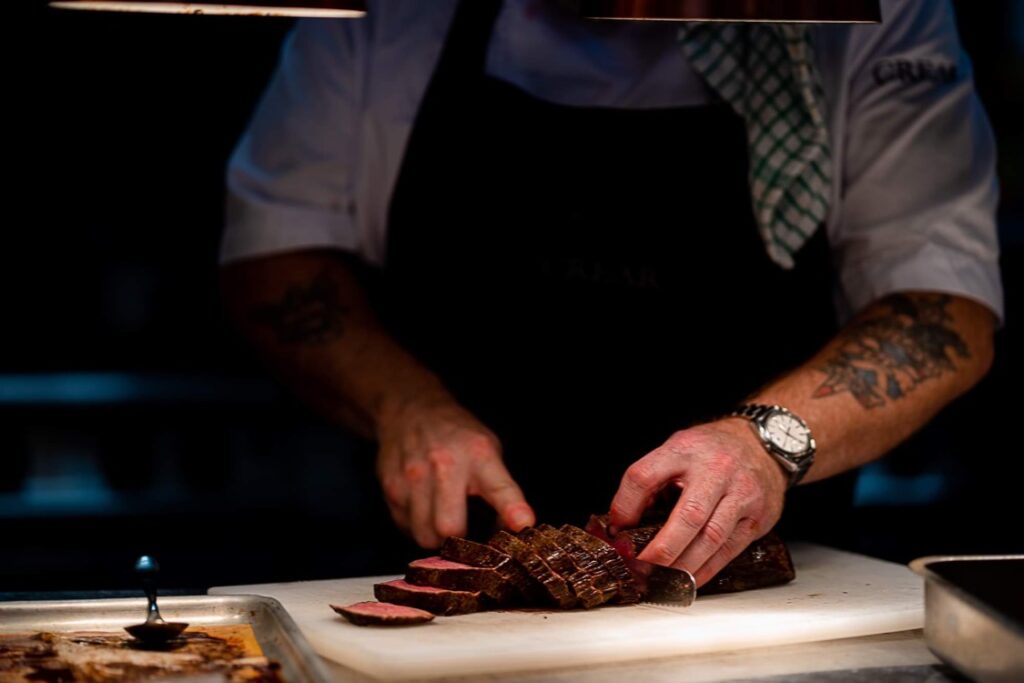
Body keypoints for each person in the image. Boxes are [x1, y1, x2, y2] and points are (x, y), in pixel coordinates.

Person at [220, 0, 1001, 586]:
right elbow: (275, 257)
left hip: (757, 591)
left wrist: (765, 440)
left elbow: (942, 308)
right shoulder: (389, 13)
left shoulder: (864, 14)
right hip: (436, 571)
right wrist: (403, 405)